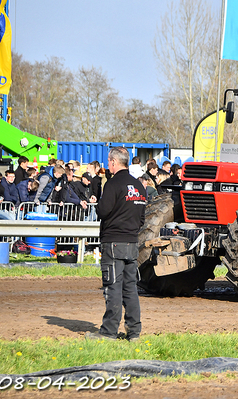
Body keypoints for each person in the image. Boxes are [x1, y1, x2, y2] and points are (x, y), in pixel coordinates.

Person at [86, 147, 147, 342]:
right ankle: (134, 333)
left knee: (112, 287)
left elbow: (103, 212)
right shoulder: (138, 186)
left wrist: (97, 202)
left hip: (113, 242)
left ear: (113, 162)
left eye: (108, 162)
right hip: (131, 242)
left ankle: (108, 332)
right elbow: (142, 218)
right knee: (130, 289)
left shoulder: (113, 184)